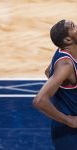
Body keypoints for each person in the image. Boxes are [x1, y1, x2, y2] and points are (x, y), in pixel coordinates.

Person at [33, 19, 77, 150]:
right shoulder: (65, 65)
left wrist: (64, 90)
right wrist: (70, 120)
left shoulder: (65, 51)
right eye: (74, 26)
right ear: (68, 40)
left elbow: (48, 71)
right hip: (70, 134)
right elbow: (39, 101)